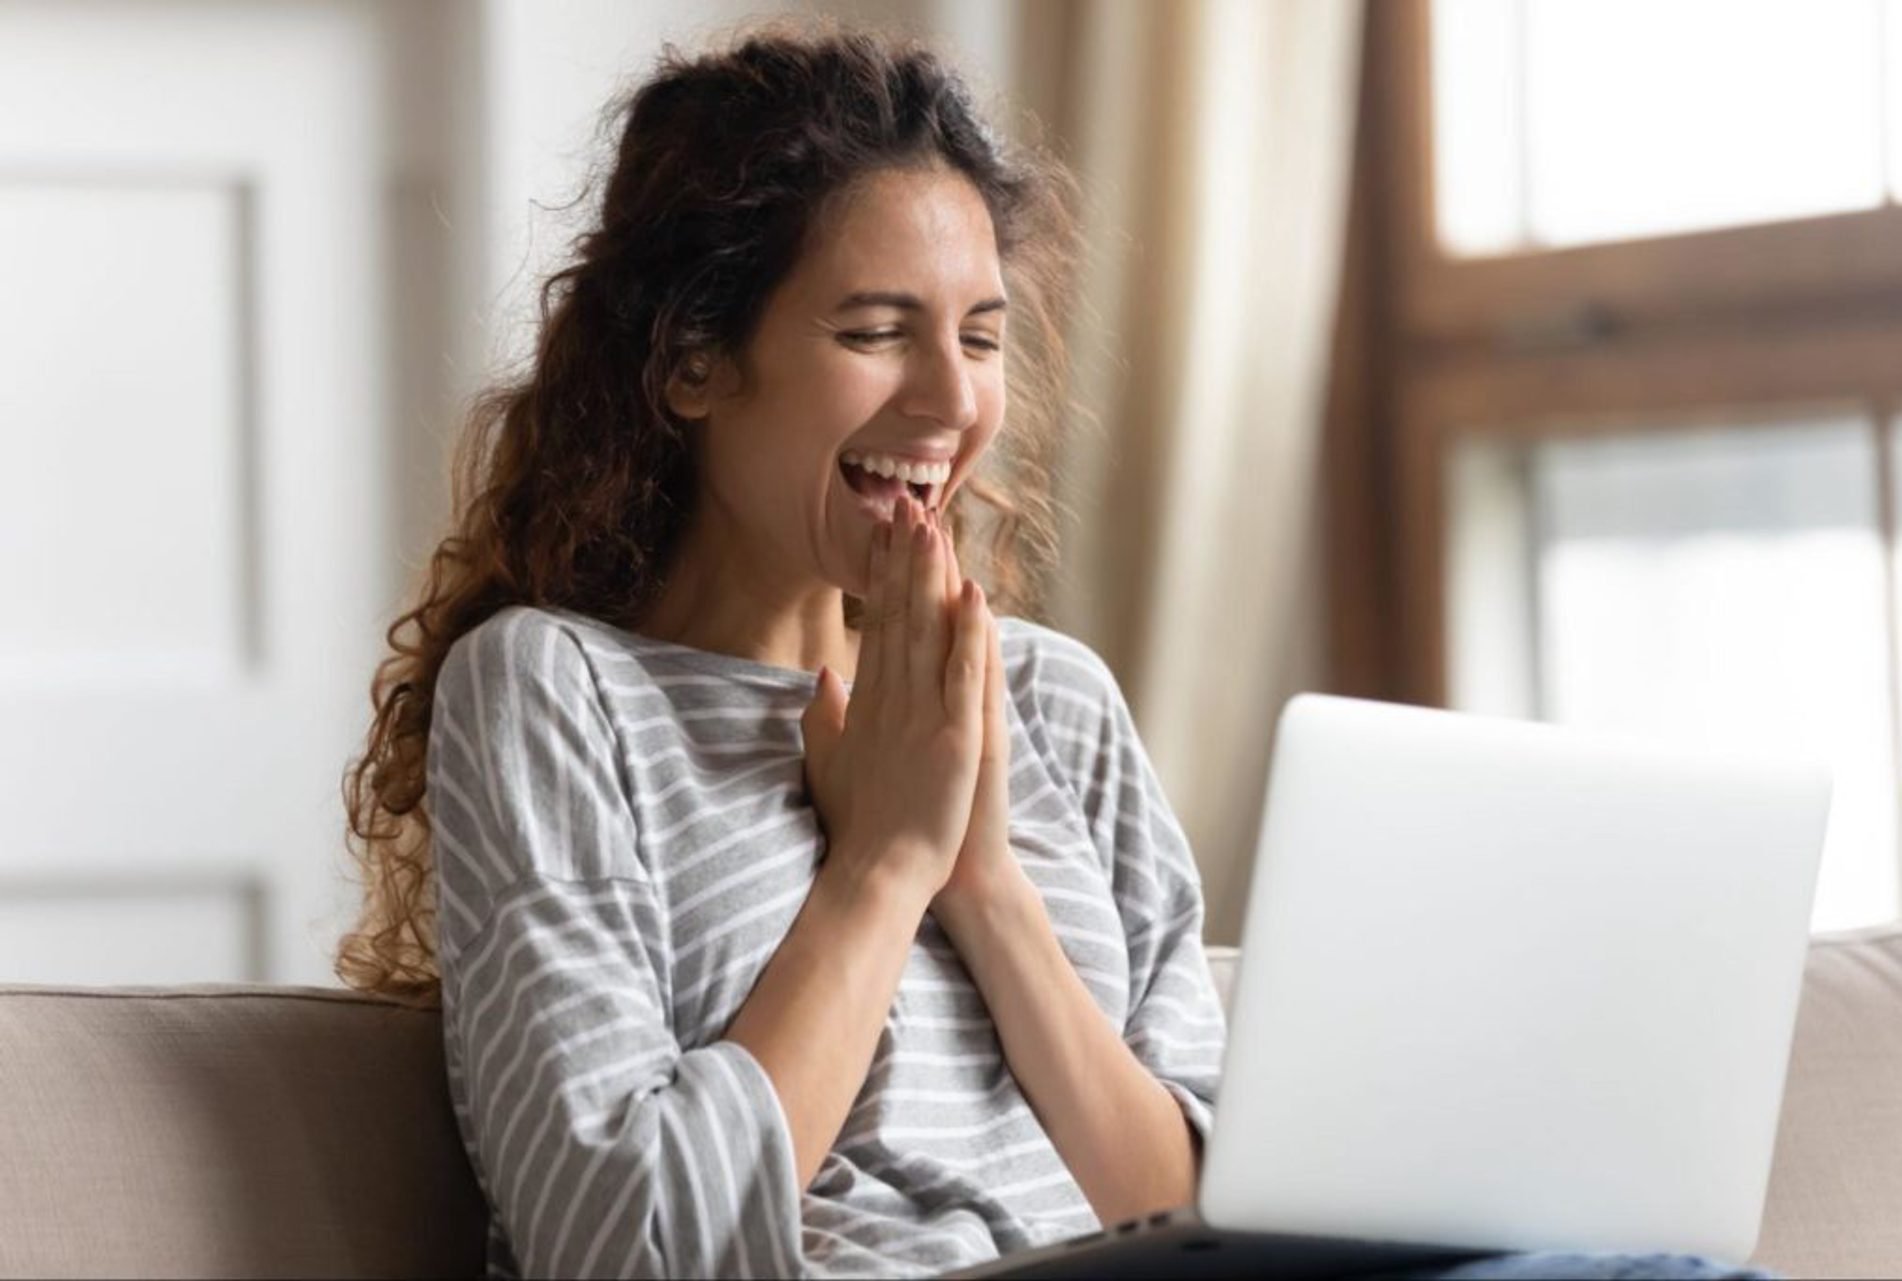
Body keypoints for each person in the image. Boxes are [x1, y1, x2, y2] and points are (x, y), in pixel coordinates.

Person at [335, 21, 1781, 1281]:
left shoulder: (1055, 702)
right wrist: (885, 863)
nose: (949, 401)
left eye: (980, 336)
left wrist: (987, 883)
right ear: (692, 360)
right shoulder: (554, 693)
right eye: (875, 331)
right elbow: (626, 1246)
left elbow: (1206, 1212)